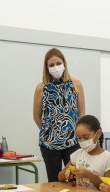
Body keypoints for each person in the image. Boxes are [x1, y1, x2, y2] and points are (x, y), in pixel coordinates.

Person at [33, 48, 85, 182]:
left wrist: (75, 133)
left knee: (74, 179)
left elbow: (82, 113)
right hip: (49, 144)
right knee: (54, 181)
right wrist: (50, 131)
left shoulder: (76, 84)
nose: (55, 67)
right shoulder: (41, 87)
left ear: (64, 64)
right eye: (51, 65)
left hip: (73, 141)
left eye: (58, 63)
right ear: (46, 67)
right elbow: (36, 116)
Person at [58, 115, 110, 190]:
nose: (82, 141)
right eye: (79, 138)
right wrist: (68, 172)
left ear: (98, 133)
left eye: (86, 137)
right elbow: (60, 177)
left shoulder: (109, 158)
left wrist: (90, 176)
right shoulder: (78, 154)